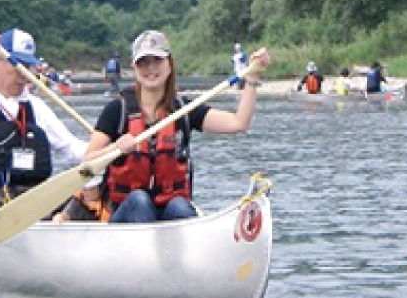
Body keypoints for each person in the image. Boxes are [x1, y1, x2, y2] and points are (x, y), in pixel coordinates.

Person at [84, 30, 271, 224]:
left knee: (180, 206)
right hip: (127, 213)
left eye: (157, 61)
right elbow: (87, 162)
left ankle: (189, 247)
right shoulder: (117, 110)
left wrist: (252, 77)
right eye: (144, 62)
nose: (150, 68)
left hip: (168, 208)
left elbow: (238, 123)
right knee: (140, 201)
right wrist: (116, 148)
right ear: (134, 68)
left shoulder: (183, 109)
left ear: (169, 65)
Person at [0, 28, 87, 221]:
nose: (23, 73)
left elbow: (70, 147)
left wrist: (108, 148)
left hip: (34, 196)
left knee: (82, 197)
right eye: (17, 64)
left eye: (27, 66)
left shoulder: (35, 106)